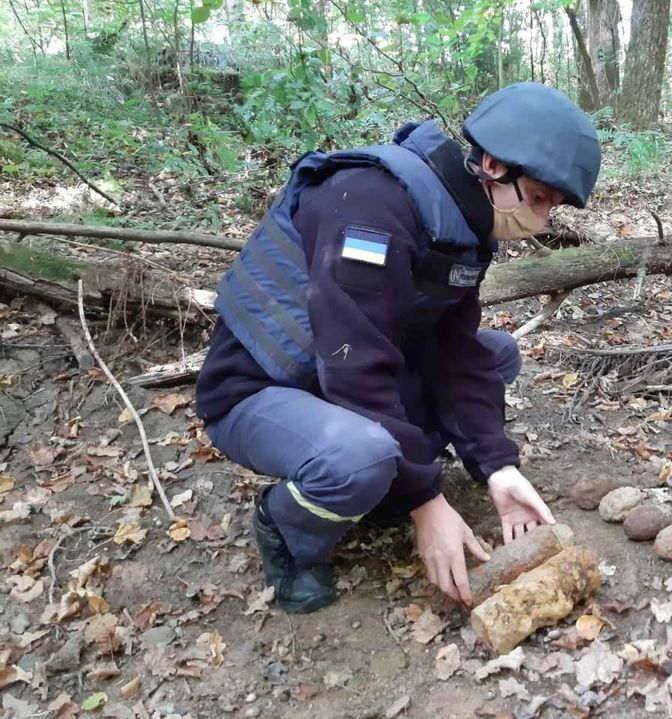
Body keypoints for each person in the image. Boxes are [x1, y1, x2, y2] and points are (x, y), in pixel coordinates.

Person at [195, 82, 602, 613]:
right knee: (360, 458)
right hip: (260, 390)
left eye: (554, 205)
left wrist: (496, 465)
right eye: (541, 198)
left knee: (494, 353)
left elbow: (453, 350)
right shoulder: (370, 206)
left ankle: (385, 480)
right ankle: (287, 529)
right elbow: (354, 366)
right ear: (493, 165)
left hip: (330, 379)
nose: (543, 219)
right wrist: (424, 500)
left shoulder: (461, 223)